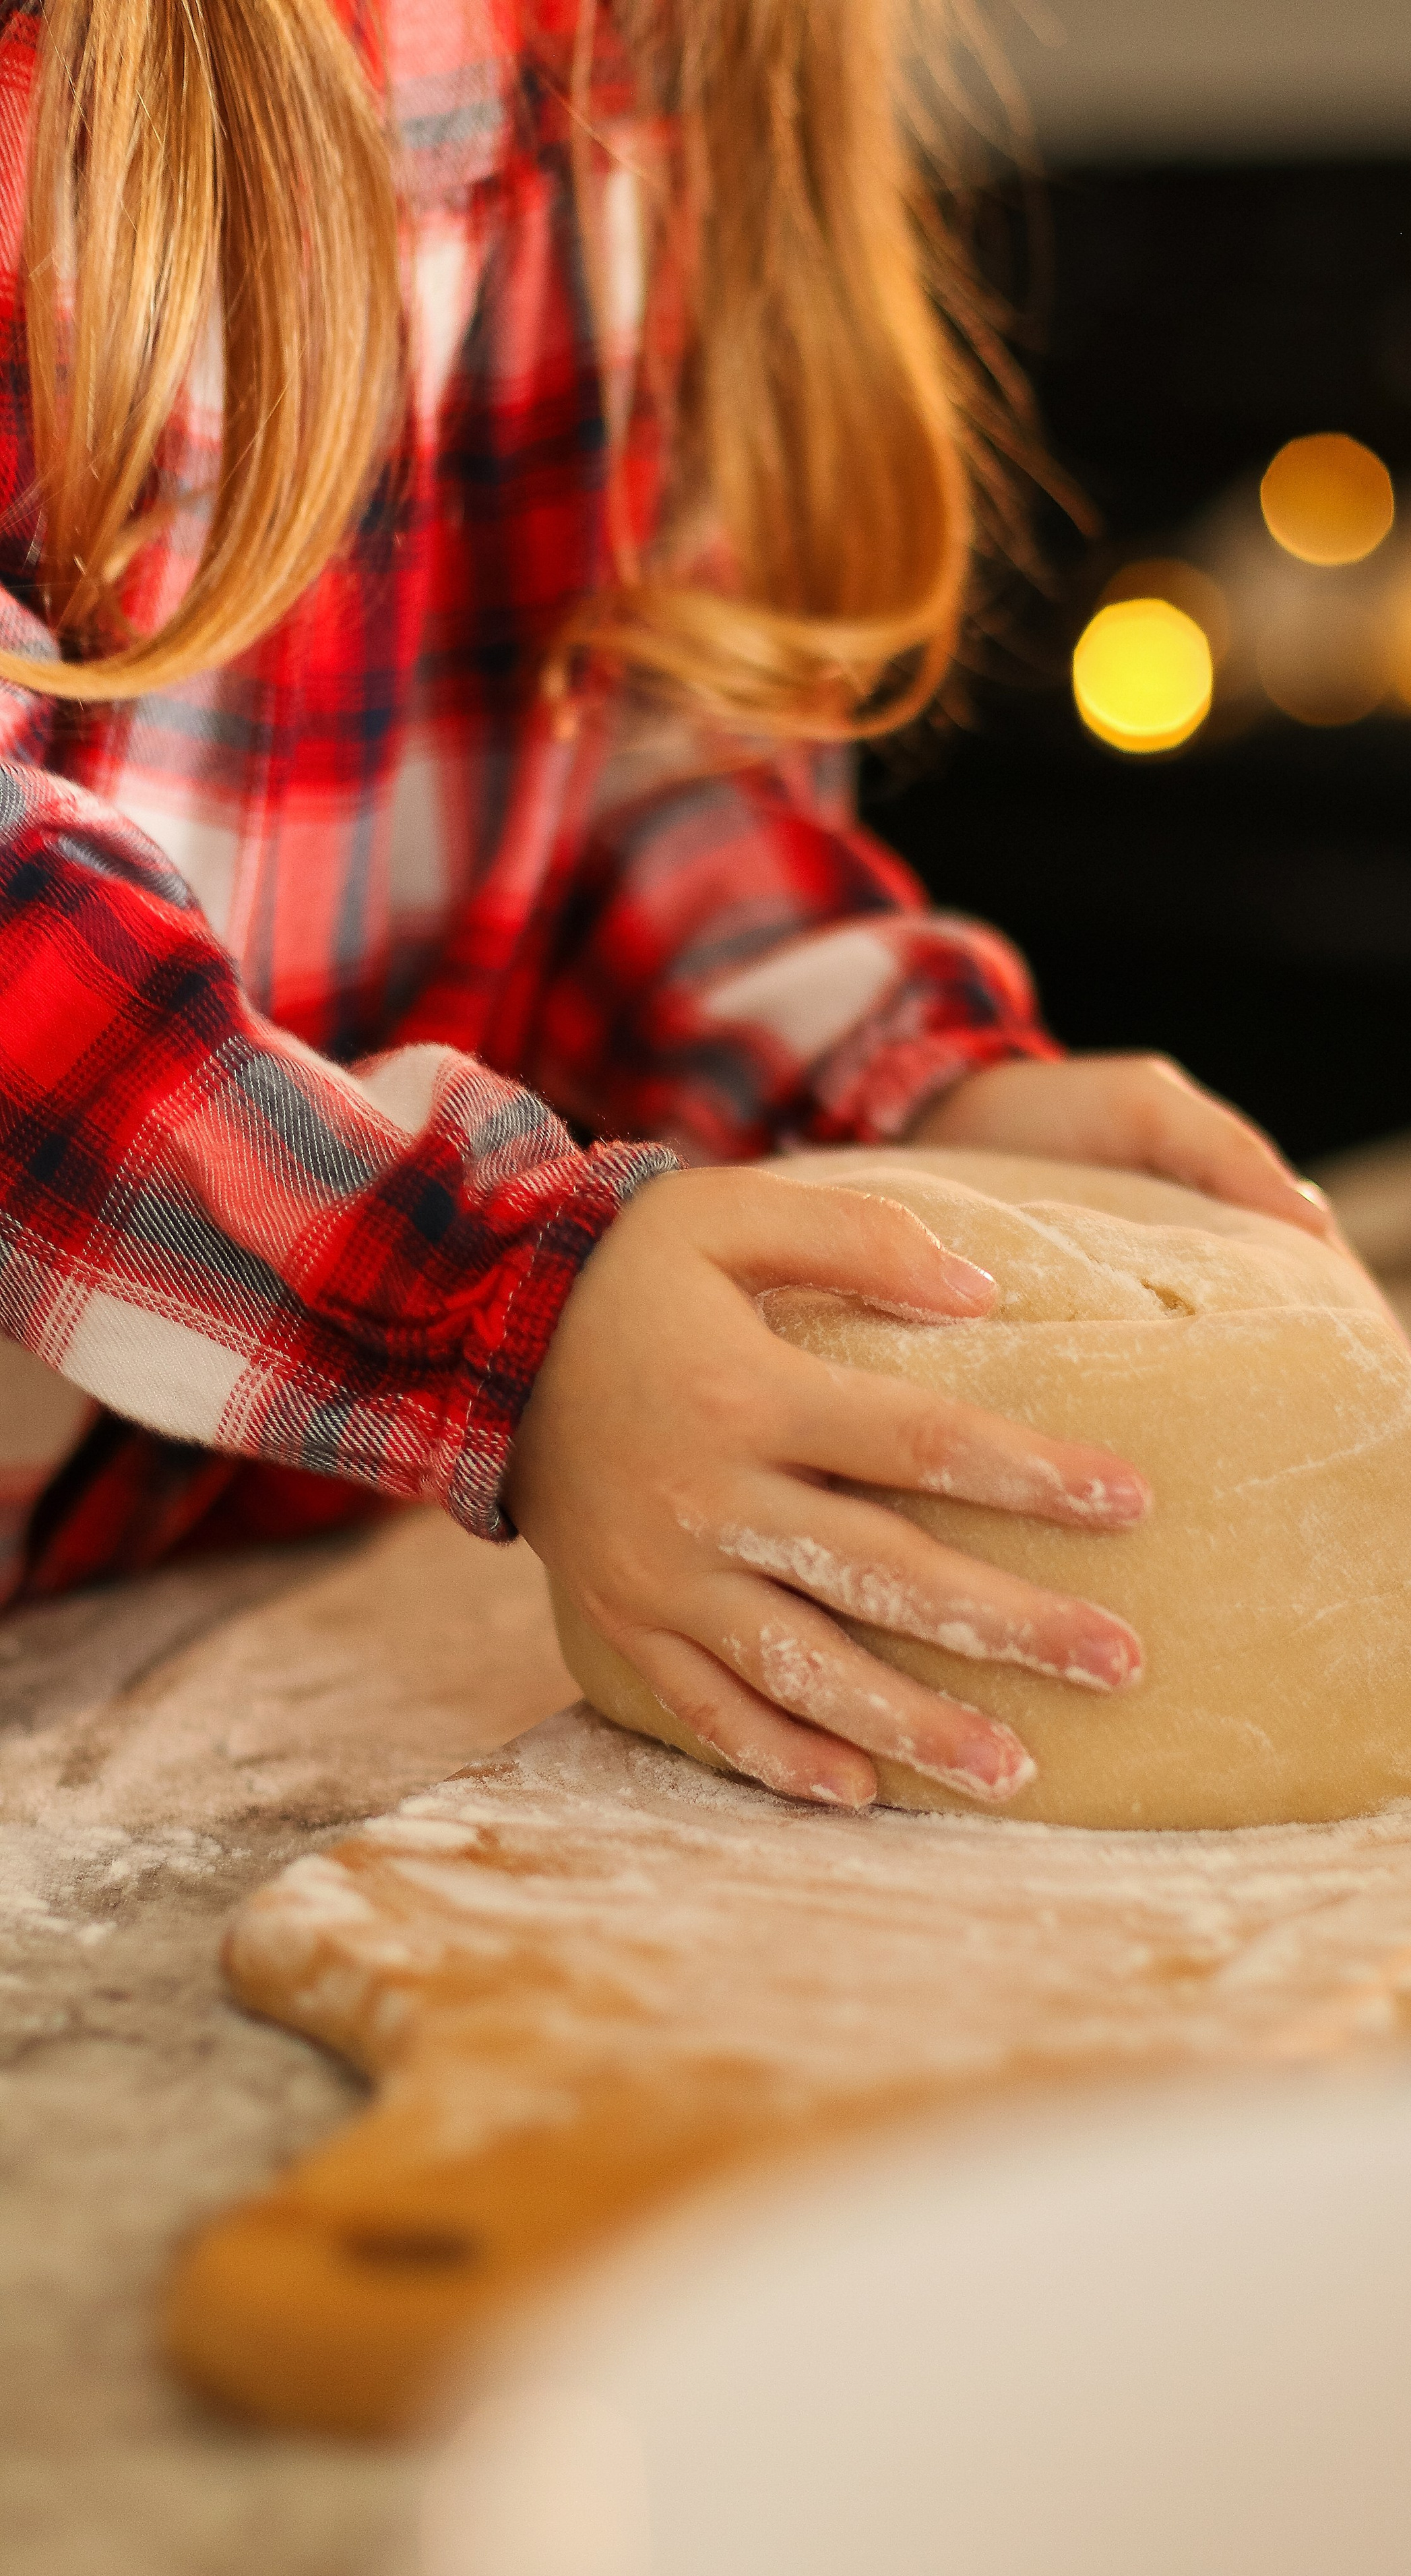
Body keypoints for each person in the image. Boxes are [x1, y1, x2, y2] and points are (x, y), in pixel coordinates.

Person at [0, 0, 1330, 1810]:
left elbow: (618, 756)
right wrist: (498, 1318)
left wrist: (897, 1105)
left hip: (187, 1620)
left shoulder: (666, 38)